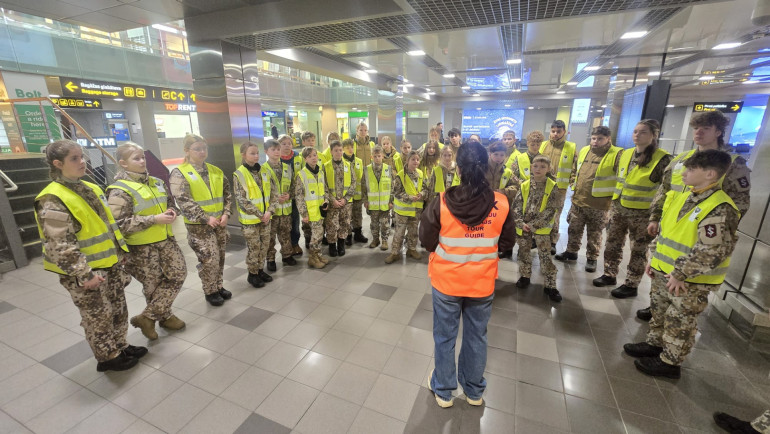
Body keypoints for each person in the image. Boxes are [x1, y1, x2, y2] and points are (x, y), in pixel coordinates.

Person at [623, 150, 739, 379]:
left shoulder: (719, 206)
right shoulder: (685, 196)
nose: (683, 173)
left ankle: (670, 362)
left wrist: (680, 273)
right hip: (665, 270)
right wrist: (655, 262)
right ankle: (655, 344)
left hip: (690, 279)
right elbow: (668, 230)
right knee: (660, 311)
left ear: (710, 174)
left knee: (680, 319)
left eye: (691, 170)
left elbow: (712, 250)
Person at [35, 140, 146, 372]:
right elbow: (59, 245)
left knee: (118, 309)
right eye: (74, 159)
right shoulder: (52, 198)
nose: (82, 162)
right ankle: (107, 358)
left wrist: (120, 252)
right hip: (86, 272)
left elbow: (108, 226)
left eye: (82, 157)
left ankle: (120, 345)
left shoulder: (90, 188)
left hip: (109, 264)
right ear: (58, 164)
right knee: (98, 316)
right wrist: (85, 275)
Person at [419, 140, 515, 408]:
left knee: (445, 336)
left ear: (458, 170)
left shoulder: (442, 201)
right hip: (482, 284)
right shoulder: (501, 203)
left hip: (446, 283)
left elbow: (426, 238)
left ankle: (444, 390)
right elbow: (507, 244)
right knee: (476, 337)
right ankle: (474, 391)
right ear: (485, 168)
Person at [637, 110, 751, 321]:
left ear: (718, 131)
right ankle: (657, 308)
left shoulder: (732, 164)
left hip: (702, 233)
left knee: (684, 303)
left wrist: (717, 231)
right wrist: (655, 217)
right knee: (662, 277)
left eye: (705, 128)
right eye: (696, 128)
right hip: (673, 227)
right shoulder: (681, 159)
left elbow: (739, 204)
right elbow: (665, 190)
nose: (698, 133)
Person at [107, 142, 186, 341]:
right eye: (136, 158)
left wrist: (171, 212)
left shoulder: (157, 182)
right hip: (140, 247)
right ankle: (164, 317)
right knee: (153, 285)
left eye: (143, 157)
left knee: (178, 274)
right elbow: (118, 224)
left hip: (165, 239)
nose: (142, 161)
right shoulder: (118, 190)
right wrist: (154, 219)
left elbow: (170, 204)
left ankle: (148, 317)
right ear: (123, 163)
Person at [593, 120, 672, 298]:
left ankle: (631, 283)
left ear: (654, 135)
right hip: (620, 208)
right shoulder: (625, 154)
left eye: (643, 132)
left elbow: (665, 190)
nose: (637, 135)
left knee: (638, 249)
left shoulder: (663, 159)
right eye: (635, 131)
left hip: (643, 213)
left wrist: (656, 217)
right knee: (612, 244)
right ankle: (609, 273)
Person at [170, 134, 232, 307]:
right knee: (209, 259)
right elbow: (183, 199)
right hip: (199, 226)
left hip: (219, 223)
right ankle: (210, 290)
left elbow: (227, 193)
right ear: (187, 150)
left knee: (219, 257)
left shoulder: (215, 170)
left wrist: (226, 213)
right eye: (197, 149)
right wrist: (205, 218)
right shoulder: (179, 173)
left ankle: (218, 286)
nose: (202, 152)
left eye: (204, 148)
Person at [555, 126, 622, 272]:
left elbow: (621, 179)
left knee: (595, 233)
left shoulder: (616, 154)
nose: (596, 142)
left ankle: (592, 258)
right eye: (593, 138)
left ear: (608, 139)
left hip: (600, 204)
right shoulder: (585, 150)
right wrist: (573, 184)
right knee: (574, 229)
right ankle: (571, 253)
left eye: (600, 139)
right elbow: (576, 171)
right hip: (579, 200)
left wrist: (614, 203)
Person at [512, 155, 562, 302]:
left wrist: (534, 225)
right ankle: (525, 276)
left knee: (545, 257)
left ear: (548, 169)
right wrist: (521, 223)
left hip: (542, 230)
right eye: (535, 166)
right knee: (524, 253)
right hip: (524, 228)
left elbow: (551, 210)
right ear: (531, 167)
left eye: (542, 167)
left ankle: (551, 285)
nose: (538, 169)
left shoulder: (553, 186)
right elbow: (516, 206)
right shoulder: (524, 185)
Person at [233, 141, 275, 288]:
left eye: (257, 153)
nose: (256, 156)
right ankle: (252, 274)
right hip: (251, 220)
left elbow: (273, 193)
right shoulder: (239, 174)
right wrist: (260, 214)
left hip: (266, 218)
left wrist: (269, 211)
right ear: (244, 155)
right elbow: (242, 199)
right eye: (252, 153)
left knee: (264, 246)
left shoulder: (265, 171)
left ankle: (260, 270)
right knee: (254, 247)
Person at [540, 120, 577, 254]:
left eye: (558, 131)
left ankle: (552, 242)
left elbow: (574, 169)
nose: (555, 134)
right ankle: (537, 238)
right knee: (539, 212)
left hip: (559, 189)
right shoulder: (543, 145)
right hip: (542, 186)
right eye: (553, 131)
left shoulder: (571, 147)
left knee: (555, 216)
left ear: (564, 132)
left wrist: (573, 186)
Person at [386, 150, 427, 263]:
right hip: (402, 211)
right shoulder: (400, 175)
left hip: (416, 210)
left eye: (417, 159)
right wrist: (409, 197)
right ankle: (395, 253)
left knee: (413, 231)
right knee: (399, 232)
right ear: (407, 160)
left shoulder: (420, 174)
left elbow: (425, 188)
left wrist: (421, 194)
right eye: (413, 159)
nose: (416, 162)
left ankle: (412, 249)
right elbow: (397, 193)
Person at [262, 139, 297, 271]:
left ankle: (287, 255)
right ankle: (270, 259)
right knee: (270, 236)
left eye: (278, 149)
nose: (276, 152)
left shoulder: (287, 168)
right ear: (266, 151)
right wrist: (276, 199)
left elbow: (293, 186)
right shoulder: (263, 170)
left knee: (285, 234)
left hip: (286, 210)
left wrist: (289, 195)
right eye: (273, 150)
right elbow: (263, 191)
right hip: (272, 211)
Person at [295, 147, 329, 268]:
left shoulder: (320, 172)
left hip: (321, 210)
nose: (314, 158)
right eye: (310, 156)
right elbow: (298, 196)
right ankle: (312, 258)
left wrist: (326, 200)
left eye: (315, 155)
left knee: (319, 235)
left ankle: (318, 255)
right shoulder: (302, 175)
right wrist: (304, 213)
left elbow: (324, 189)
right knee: (316, 236)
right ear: (305, 159)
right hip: (310, 212)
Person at [324, 140, 356, 257]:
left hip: (345, 203)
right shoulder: (326, 166)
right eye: (336, 150)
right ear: (331, 152)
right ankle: (332, 245)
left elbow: (353, 183)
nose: (338, 152)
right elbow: (323, 186)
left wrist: (345, 199)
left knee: (345, 223)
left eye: (340, 150)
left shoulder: (348, 165)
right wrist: (332, 200)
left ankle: (341, 244)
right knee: (332, 225)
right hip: (333, 203)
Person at [279, 134, 305, 256]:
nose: (287, 146)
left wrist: (293, 193)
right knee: (284, 224)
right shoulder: (276, 159)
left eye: (289, 143)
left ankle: (295, 243)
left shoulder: (298, 158)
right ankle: (286, 246)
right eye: (283, 144)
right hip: (282, 198)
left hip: (295, 196)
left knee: (295, 221)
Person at [363, 145, 392, 250]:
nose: (377, 158)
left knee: (385, 224)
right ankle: (375, 239)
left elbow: (392, 187)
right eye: (375, 156)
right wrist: (365, 200)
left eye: (379, 156)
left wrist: (391, 201)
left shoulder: (388, 169)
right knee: (374, 224)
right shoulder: (367, 170)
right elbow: (363, 186)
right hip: (372, 204)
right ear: (371, 157)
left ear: (383, 156)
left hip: (385, 204)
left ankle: (384, 240)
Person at [343, 138, 368, 245]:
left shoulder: (359, 161)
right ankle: (348, 235)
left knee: (358, 215)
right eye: (347, 147)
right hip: (346, 196)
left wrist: (364, 193)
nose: (350, 149)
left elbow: (362, 179)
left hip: (357, 194)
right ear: (343, 149)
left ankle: (358, 233)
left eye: (351, 147)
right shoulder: (341, 162)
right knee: (347, 216)